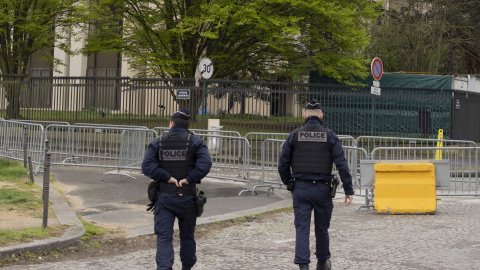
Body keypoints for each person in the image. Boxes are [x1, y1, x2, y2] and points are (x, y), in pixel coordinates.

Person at [278, 99, 354, 270]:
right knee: (322, 228)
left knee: (302, 228)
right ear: (321, 116)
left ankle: (303, 265)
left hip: (301, 189)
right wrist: (348, 189)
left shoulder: (295, 135)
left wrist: (289, 184)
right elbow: (342, 164)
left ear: (304, 115)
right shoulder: (330, 135)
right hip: (322, 190)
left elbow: (282, 164)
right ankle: (323, 262)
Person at [142, 108, 212, 270]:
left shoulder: (158, 142)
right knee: (187, 237)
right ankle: (187, 266)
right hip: (187, 197)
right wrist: (189, 178)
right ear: (187, 125)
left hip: (165, 197)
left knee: (164, 238)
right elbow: (205, 164)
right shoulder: (195, 142)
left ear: (172, 123)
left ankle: (165, 267)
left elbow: (147, 166)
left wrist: (166, 177)